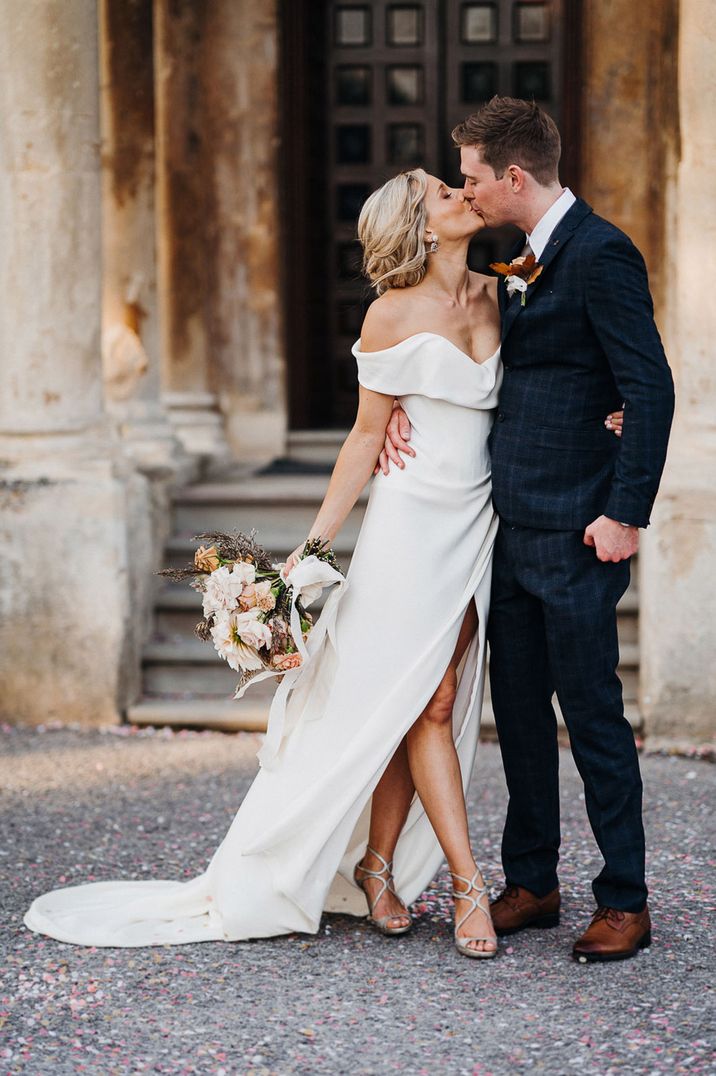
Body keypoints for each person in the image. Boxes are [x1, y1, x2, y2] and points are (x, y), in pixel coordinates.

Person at [378, 97, 675, 963]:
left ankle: (625, 897)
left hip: (579, 531)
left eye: (470, 176)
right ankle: (532, 882)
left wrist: (625, 511)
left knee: (593, 719)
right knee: (517, 716)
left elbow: (648, 386)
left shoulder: (603, 253)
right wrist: (398, 409)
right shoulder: (519, 263)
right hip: (503, 529)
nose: (463, 189)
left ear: (513, 177)